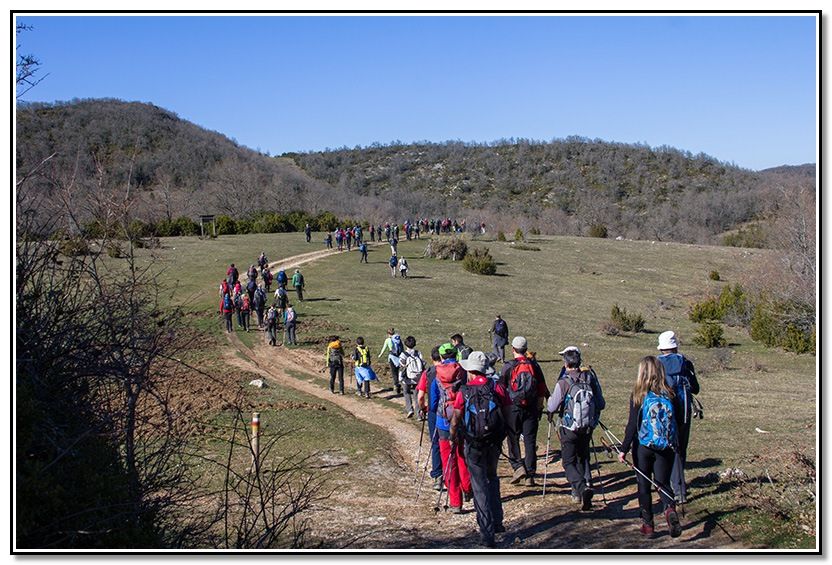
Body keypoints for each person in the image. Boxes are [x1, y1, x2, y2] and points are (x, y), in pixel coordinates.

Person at [449, 351, 511, 548]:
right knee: (492, 477)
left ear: (470, 371)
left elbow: (456, 418)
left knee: (479, 485)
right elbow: (508, 411)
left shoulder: (465, 391)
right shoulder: (496, 387)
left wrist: (453, 436)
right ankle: (498, 521)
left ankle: (486, 532)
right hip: (493, 442)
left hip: (473, 443)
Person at [618, 356, 683, 539]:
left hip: (643, 447)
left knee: (644, 485)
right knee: (663, 483)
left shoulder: (638, 395)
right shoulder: (670, 394)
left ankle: (648, 526)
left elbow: (632, 425)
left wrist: (623, 449)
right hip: (666, 447)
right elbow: (678, 422)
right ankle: (669, 509)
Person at [547, 346, 605, 509]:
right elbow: (601, 403)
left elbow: (551, 406)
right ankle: (585, 488)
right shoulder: (589, 378)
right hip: (587, 427)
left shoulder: (564, 382)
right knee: (583, 457)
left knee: (568, 462)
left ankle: (580, 488)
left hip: (569, 428)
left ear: (566, 363)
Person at [656, 331, 700, 504]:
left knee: (666, 448)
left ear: (661, 348)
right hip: (684, 411)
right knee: (680, 448)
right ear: (675, 346)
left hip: (663, 413)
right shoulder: (686, 363)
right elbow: (695, 388)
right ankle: (680, 490)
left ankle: (666, 486)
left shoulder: (656, 364)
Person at [500, 336, 550, 486]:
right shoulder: (534, 366)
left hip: (513, 407)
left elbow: (501, 389)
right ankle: (530, 474)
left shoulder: (508, 366)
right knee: (530, 440)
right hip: (531, 408)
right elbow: (542, 388)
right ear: (526, 349)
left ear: (513, 349)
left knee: (512, 438)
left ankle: (518, 467)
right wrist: (540, 407)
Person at [429, 343, 471, 515]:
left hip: (443, 422)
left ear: (441, 357)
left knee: (449, 461)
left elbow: (433, 403)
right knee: (463, 456)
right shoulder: (464, 372)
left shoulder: (436, 375)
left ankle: (455, 502)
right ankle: (468, 487)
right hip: (462, 419)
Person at [417, 347, 445, 491]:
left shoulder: (428, 372)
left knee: (436, 443)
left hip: (434, 411)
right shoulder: (453, 370)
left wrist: (423, 408)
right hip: (451, 410)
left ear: (432, 358)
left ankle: (438, 476)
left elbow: (420, 396)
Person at [398, 336, 425, 418]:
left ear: (405, 344)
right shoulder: (418, 353)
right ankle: (418, 414)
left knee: (406, 392)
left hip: (407, 378)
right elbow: (423, 363)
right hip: (418, 377)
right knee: (416, 395)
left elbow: (401, 364)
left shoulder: (403, 354)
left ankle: (409, 409)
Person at [378, 328, 404, 394]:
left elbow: (384, 348)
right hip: (399, 357)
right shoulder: (398, 339)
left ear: (388, 334)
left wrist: (380, 354)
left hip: (392, 357)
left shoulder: (388, 340)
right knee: (398, 371)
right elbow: (402, 348)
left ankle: (396, 385)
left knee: (394, 372)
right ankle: (399, 383)